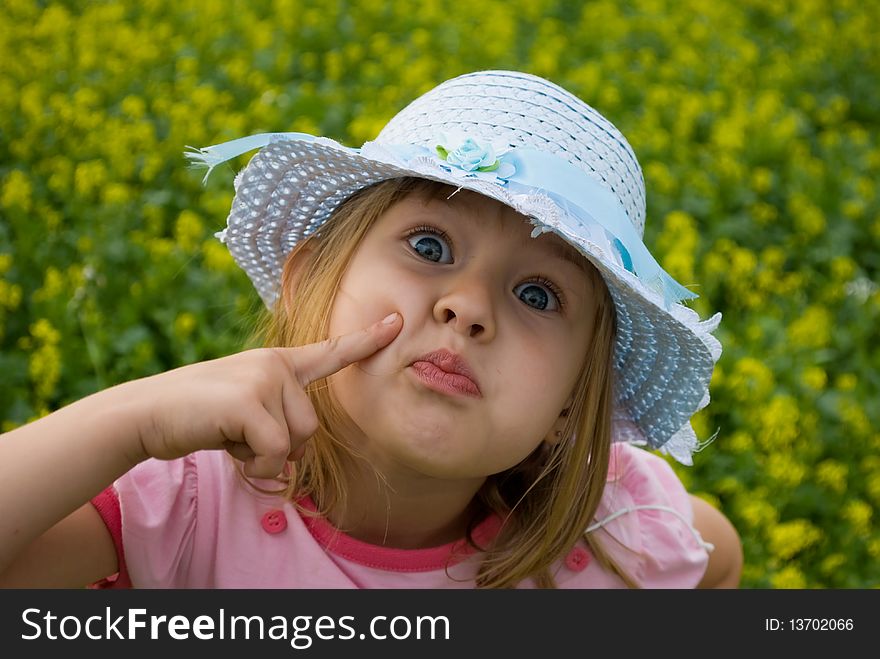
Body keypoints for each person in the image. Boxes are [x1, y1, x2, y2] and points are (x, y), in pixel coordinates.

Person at [0, 70, 742, 589]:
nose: (469, 307)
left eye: (539, 295)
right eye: (430, 246)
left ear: (573, 406)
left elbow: (720, 560)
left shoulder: (615, 534)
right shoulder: (189, 505)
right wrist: (130, 421)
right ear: (305, 285)